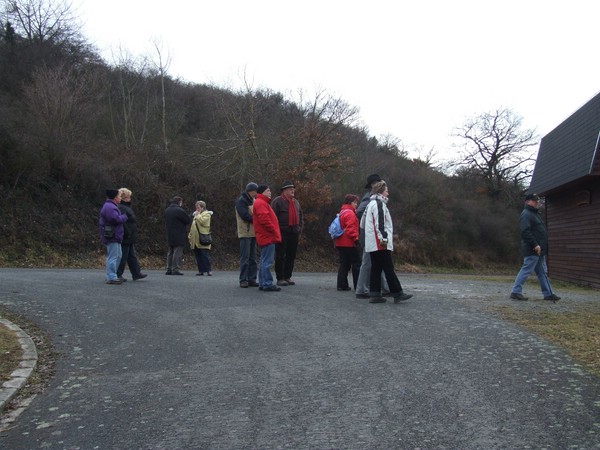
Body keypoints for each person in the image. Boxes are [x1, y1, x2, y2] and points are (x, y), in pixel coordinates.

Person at [363, 181, 413, 304]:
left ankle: (374, 294)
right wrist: (384, 240)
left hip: (372, 242)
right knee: (388, 267)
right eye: (386, 191)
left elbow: (362, 223)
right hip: (380, 242)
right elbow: (380, 224)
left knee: (376, 268)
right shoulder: (379, 204)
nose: (388, 193)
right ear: (381, 192)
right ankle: (397, 293)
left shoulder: (370, 204)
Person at [510, 193, 561, 302]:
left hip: (539, 249)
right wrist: (535, 245)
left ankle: (548, 294)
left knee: (542, 272)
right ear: (528, 201)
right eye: (534, 200)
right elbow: (525, 232)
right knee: (526, 270)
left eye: (537, 200)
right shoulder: (527, 214)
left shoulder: (534, 214)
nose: (537, 202)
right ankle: (516, 291)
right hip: (533, 249)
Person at [355, 174, 390, 299]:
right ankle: (361, 290)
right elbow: (359, 212)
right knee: (368, 262)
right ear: (373, 184)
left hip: (371, 235)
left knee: (377, 261)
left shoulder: (373, 198)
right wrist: (369, 226)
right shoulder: (370, 199)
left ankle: (385, 288)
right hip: (371, 236)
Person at [271, 181, 303, 286]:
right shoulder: (278, 201)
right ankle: (280, 278)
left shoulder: (296, 202)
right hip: (282, 232)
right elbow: (273, 217)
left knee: (291, 255)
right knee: (280, 255)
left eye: (293, 189)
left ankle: (288, 276)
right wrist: (276, 231)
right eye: (290, 189)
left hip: (294, 232)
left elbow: (301, 217)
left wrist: (299, 229)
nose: (293, 190)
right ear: (284, 191)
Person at [253, 184, 282, 292]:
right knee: (267, 261)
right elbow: (264, 219)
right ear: (262, 192)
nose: (270, 192)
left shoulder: (261, 202)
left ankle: (263, 283)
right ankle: (267, 283)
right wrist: (273, 230)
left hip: (265, 236)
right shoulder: (261, 203)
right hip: (267, 236)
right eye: (268, 191)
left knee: (264, 260)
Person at [116, 188, 147, 282]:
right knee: (123, 256)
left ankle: (136, 273)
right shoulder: (122, 208)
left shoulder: (126, 208)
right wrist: (127, 233)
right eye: (129, 196)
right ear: (125, 197)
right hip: (126, 235)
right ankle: (118, 273)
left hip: (130, 235)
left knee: (131, 255)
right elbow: (122, 221)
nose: (130, 198)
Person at [99, 189, 128, 285]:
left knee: (118, 255)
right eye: (119, 196)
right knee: (113, 256)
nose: (120, 198)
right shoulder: (110, 207)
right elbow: (115, 219)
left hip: (115, 235)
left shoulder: (110, 206)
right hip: (112, 235)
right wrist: (124, 217)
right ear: (115, 197)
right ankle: (111, 276)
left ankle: (112, 275)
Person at [335, 194, 362, 291]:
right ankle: (358, 285)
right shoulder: (350, 213)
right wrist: (356, 239)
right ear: (350, 203)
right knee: (357, 263)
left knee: (344, 264)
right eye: (355, 202)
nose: (356, 205)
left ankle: (341, 284)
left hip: (340, 242)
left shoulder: (342, 212)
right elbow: (351, 229)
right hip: (349, 243)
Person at [235, 182, 259, 288]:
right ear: (251, 191)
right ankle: (243, 279)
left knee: (253, 257)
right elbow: (244, 216)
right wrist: (257, 220)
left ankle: (252, 279)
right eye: (255, 191)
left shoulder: (253, 200)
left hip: (253, 232)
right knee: (245, 257)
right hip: (245, 232)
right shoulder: (241, 201)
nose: (256, 193)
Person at [164, 195, 192, 275]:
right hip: (179, 233)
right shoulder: (179, 211)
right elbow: (187, 220)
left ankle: (169, 268)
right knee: (177, 252)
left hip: (169, 233)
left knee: (170, 251)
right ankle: (175, 268)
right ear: (179, 202)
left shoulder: (167, 210)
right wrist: (192, 215)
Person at [188, 200, 213, 276]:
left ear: (202, 207)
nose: (196, 208)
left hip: (203, 238)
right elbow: (193, 226)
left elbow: (203, 222)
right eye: (196, 207)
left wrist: (197, 215)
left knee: (205, 255)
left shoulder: (207, 214)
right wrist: (190, 235)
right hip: (195, 239)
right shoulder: (196, 215)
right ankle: (201, 270)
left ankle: (208, 270)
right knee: (198, 255)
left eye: (198, 207)